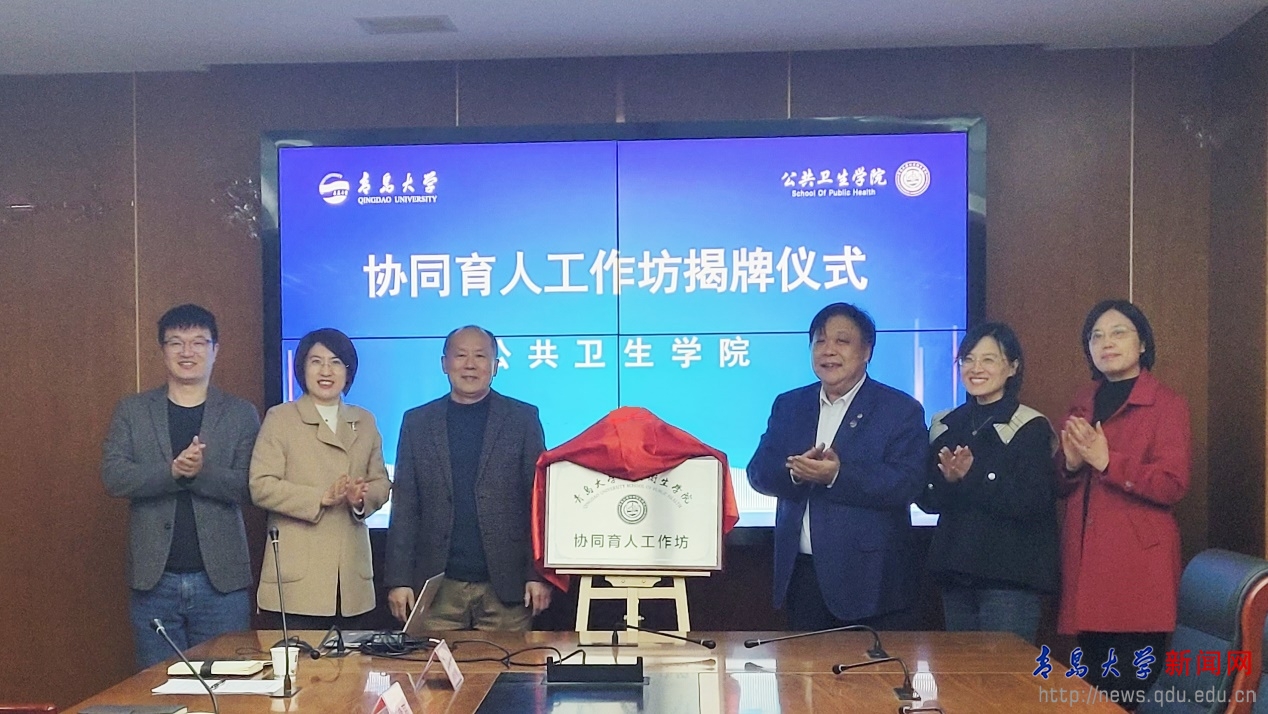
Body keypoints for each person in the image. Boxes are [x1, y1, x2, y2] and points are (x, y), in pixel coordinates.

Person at [747, 303, 927, 630]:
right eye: (820, 341)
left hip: (870, 582)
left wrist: (837, 476)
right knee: (804, 665)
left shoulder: (899, 409)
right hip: (802, 576)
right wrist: (795, 473)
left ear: (867, 351)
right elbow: (758, 472)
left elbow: (907, 483)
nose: (828, 350)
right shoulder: (790, 405)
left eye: (842, 341)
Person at [102, 304, 260, 670]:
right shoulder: (132, 411)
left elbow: (251, 487)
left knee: (229, 687)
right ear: (162, 350)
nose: (187, 352)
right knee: (158, 688)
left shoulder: (240, 413)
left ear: (215, 349)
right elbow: (113, 476)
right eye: (176, 342)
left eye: (198, 342)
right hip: (155, 581)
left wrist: (199, 473)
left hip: (221, 582)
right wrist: (172, 472)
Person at [1057, 300, 1189, 708]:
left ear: (1143, 343)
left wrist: (1109, 462)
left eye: (1118, 333)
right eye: (1096, 336)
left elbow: (1172, 485)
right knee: (1092, 696)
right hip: (1087, 569)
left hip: (1137, 574)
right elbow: (1061, 483)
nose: (1106, 343)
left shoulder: (1167, 404)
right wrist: (1070, 465)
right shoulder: (1084, 400)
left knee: (1128, 696)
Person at [385, 325, 551, 630]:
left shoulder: (522, 419)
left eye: (480, 356)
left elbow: (538, 501)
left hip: (507, 588)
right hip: (436, 588)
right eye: (461, 355)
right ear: (444, 363)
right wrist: (399, 580)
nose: (470, 364)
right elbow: (405, 504)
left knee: (511, 664)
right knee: (431, 663)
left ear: (495, 366)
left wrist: (537, 574)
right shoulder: (417, 422)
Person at [917, 322, 1058, 643]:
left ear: (1013, 367)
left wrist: (974, 476)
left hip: (1010, 579)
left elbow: (1033, 502)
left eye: (988, 359)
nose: (975, 368)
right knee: (962, 671)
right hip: (956, 572)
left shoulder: (1030, 426)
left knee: (1003, 671)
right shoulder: (945, 424)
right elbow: (927, 500)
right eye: (968, 359)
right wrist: (949, 481)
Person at [249, 328, 390, 630]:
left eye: (336, 362)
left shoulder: (364, 421)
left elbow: (381, 483)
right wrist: (320, 498)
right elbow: (260, 486)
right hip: (298, 583)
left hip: (351, 581)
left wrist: (361, 499)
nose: (326, 371)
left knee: (354, 660)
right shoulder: (281, 418)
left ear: (348, 371)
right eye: (316, 361)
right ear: (302, 368)